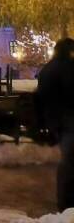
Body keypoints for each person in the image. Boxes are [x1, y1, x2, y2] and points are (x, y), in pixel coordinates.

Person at [36, 38, 74, 212]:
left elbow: (39, 99)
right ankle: (67, 204)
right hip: (68, 121)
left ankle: (65, 203)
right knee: (70, 161)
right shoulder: (67, 68)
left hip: (56, 121)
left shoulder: (47, 69)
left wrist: (43, 124)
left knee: (69, 159)